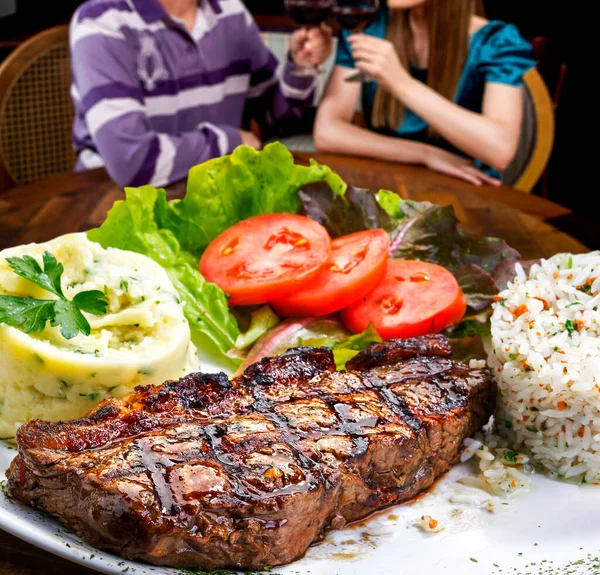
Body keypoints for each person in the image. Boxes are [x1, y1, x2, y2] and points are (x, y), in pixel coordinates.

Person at [70, 0, 333, 187]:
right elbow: (133, 162)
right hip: (108, 202)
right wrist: (229, 142)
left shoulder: (232, 12)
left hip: (211, 190)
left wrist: (300, 68)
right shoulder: (101, 22)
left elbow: (278, 120)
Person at [314, 0, 536, 186]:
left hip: (464, 197)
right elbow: (327, 133)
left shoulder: (496, 42)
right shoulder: (369, 25)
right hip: (385, 187)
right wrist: (426, 155)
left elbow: (499, 150)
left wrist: (402, 84)